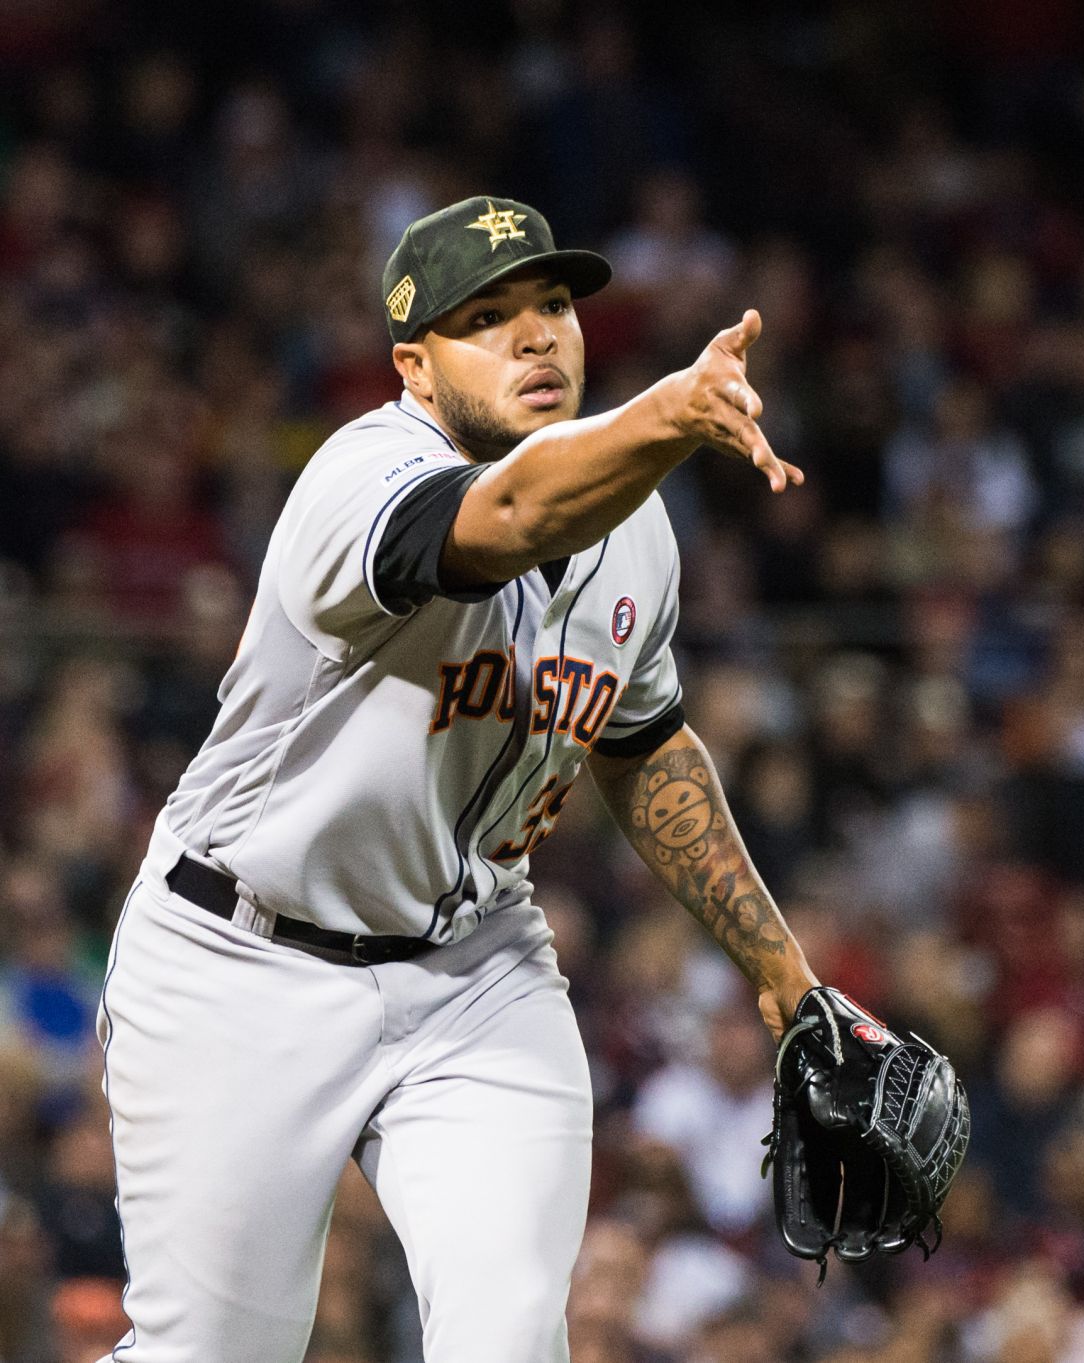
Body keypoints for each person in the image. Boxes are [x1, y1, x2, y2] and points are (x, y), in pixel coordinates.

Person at [96, 196, 820, 1363]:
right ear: (414, 367)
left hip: (476, 973)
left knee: (510, 1340)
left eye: (551, 304)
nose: (536, 335)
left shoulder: (635, 529)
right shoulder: (360, 474)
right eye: (486, 318)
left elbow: (642, 744)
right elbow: (504, 519)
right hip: (243, 960)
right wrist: (670, 413)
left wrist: (779, 967)